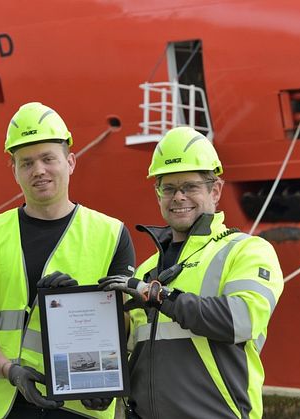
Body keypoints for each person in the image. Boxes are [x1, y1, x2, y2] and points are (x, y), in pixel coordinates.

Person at [0, 102, 136, 418]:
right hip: (1, 404)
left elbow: (124, 327)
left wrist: (108, 381)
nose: (38, 170)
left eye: (48, 159)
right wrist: (9, 370)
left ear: (70, 162)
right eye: (26, 162)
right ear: (13, 169)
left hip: (78, 406)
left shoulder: (111, 234)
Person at [99, 126, 284, 418]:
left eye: (190, 187)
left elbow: (241, 320)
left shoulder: (246, 251)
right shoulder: (147, 269)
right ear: (158, 193)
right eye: (169, 188)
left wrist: (158, 295)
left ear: (215, 190)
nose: (179, 197)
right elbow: (130, 349)